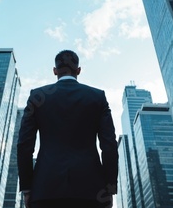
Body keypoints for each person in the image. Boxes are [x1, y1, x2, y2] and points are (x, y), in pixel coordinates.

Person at [17, 50, 118, 208]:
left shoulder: (37, 97)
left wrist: (27, 189)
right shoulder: (98, 97)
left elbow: (24, 145)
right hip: (91, 192)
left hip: (45, 190)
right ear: (78, 70)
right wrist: (110, 187)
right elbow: (109, 145)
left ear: (55, 71)